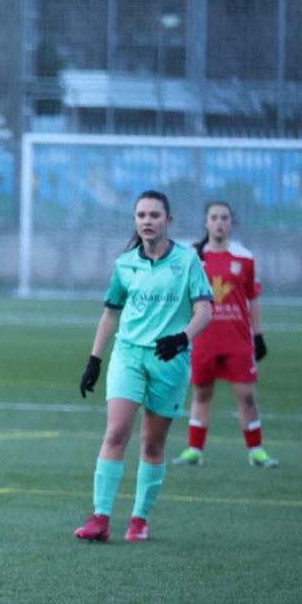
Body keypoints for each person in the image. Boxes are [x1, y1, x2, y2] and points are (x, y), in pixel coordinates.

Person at [75, 191, 213, 543]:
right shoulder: (125, 264)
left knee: (152, 444)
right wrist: (94, 360)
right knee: (116, 433)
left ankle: (139, 520)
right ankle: (100, 518)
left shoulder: (188, 260)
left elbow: (205, 310)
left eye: (154, 215)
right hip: (129, 356)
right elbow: (111, 314)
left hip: (170, 360)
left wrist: (182, 338)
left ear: (169, 220)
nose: (147, 221)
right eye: (141, 215)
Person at [174, 201, 280, 468]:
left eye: (224, 218)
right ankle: (194, 450)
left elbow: (253, 298)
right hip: (204, 339)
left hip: (237, 340)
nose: (219, 222)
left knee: (247, 396)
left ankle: (256, 451)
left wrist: (258, 336)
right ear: (206, 223)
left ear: (232, 223)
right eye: (214, 217)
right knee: (201, 394)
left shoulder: (244, 257)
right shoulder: (194, 257)